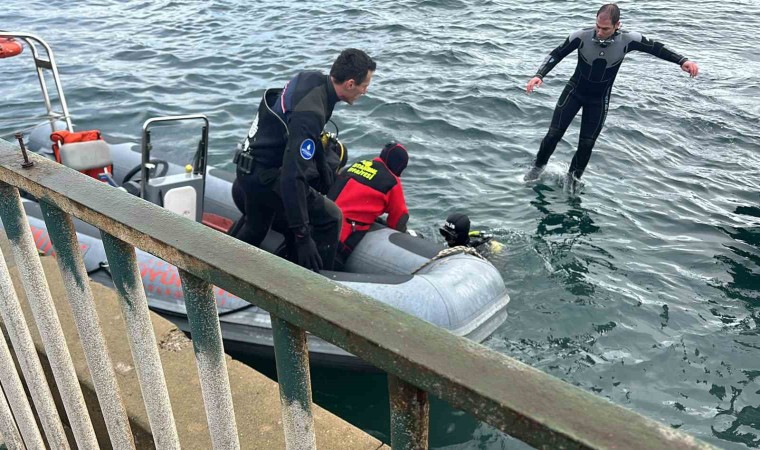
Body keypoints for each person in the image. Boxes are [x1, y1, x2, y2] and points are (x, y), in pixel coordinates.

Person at [523, 3, 699, 186]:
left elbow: (656, 48)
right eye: (597, 26)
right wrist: (539, 75)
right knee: (554, 134)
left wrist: (682, 61)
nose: (599, 32)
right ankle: (537, 168)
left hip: (598, 99)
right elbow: (557, 53)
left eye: (605, 29)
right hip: (574, 92)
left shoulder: (628, 40)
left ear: (617, 25)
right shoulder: (581, 36)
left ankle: (573, 180)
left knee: (586, 143)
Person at [232, 49, 376, 272]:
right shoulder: (311, 112)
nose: (365, 91)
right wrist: (303, 236)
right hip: (265, 177)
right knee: (331, 217)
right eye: (364, 86)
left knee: (256, 227)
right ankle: (316, 290)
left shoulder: (312, 80)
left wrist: (321, 166)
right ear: (350, 84)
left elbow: (305, 135)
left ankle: (221, 267)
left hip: (248, 168)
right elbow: (292, 177)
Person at [327, 141, 409, 263]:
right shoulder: (392, 181)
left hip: (321, 220)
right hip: (342, 237)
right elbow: (399, 218)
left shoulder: (357, 165)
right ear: (399, 167)